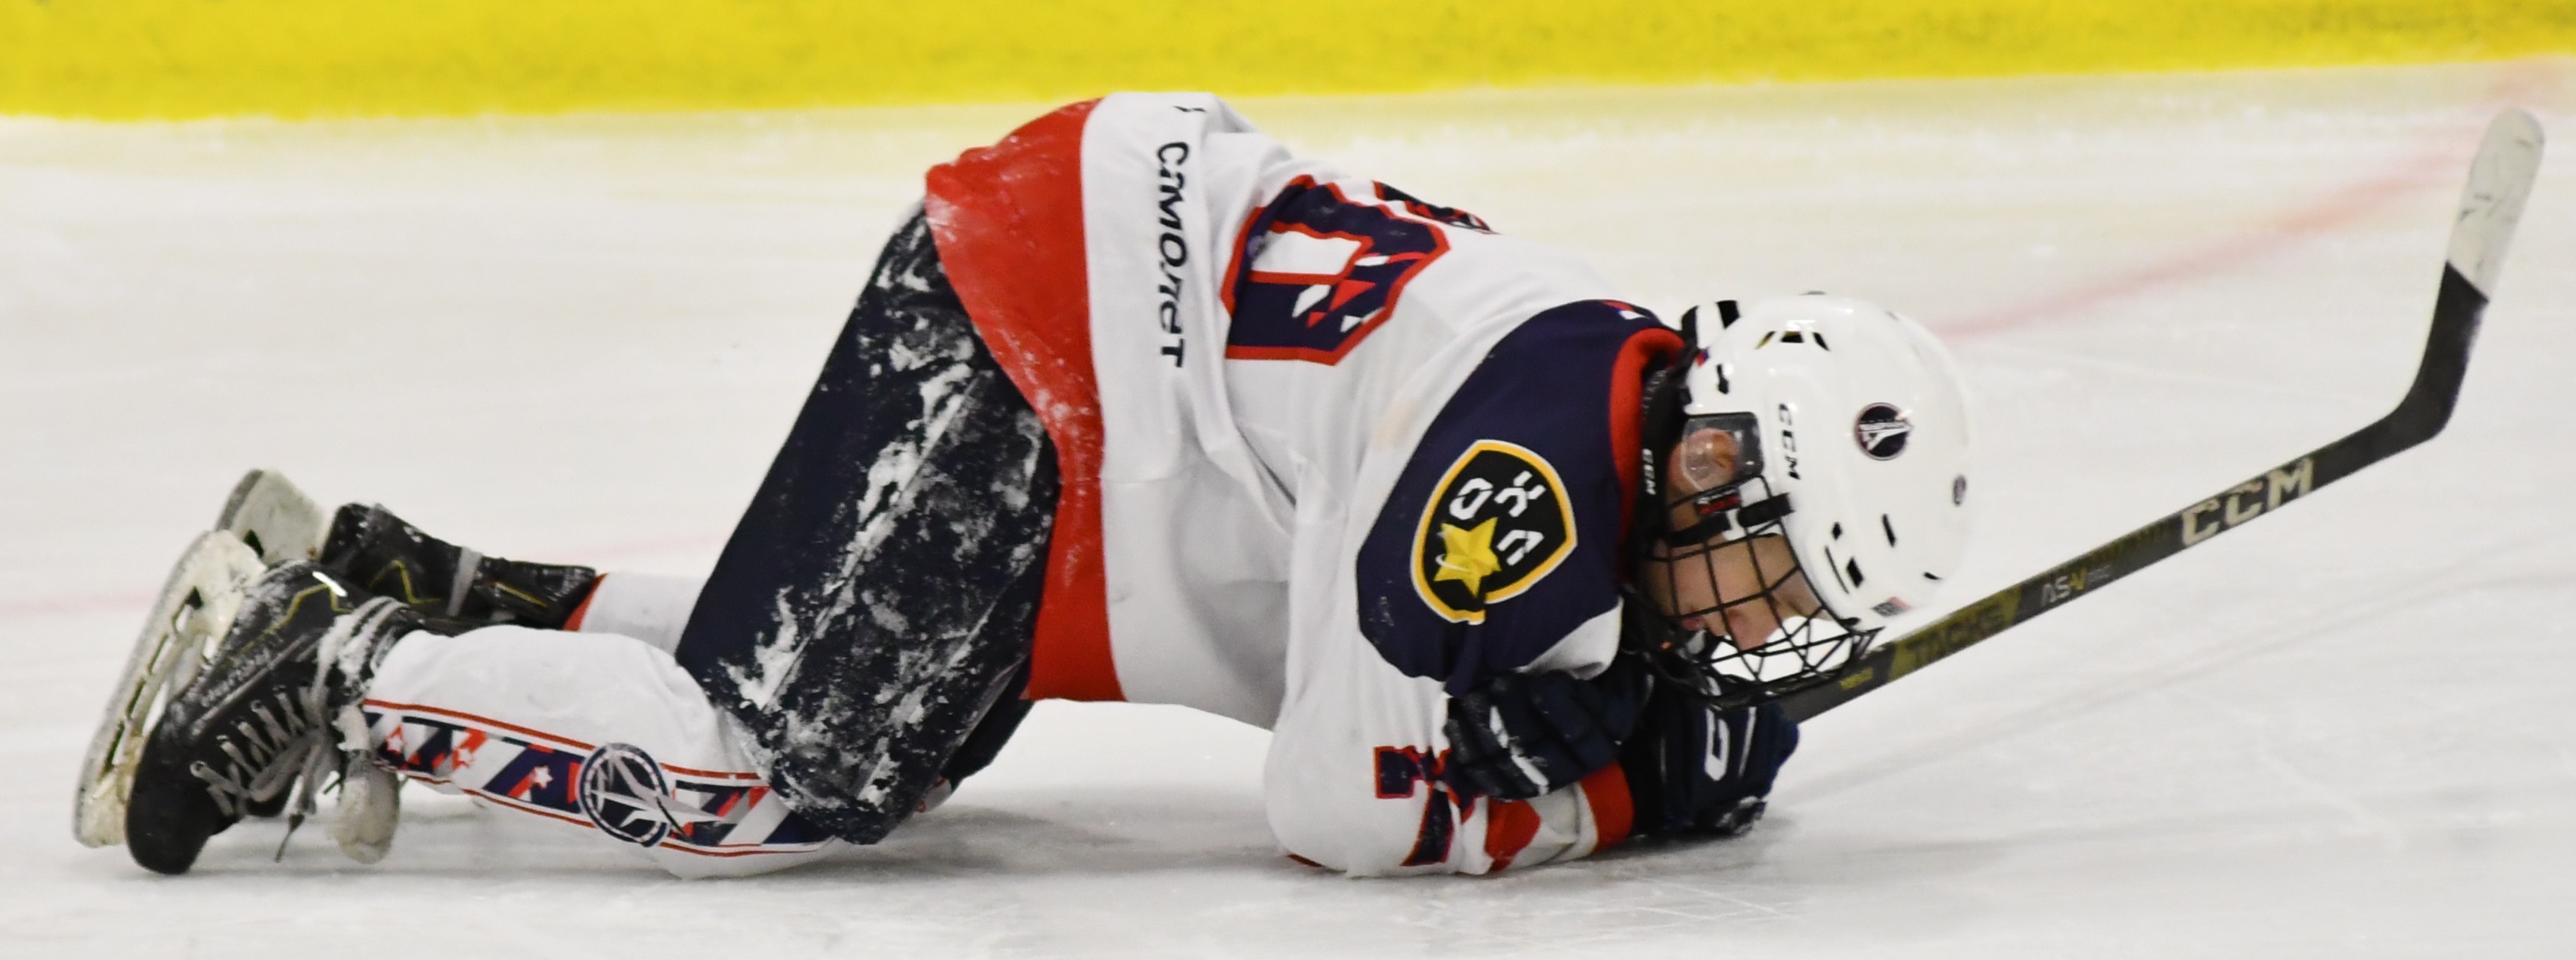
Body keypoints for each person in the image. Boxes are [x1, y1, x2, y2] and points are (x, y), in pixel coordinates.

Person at [75, 92, 1973, 878]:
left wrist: (1598, 715)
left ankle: (449, 584)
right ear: (1711, 456)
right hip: (1058, 322)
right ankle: (332, 659)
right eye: (1770, 557)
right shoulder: (1533, 480)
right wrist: (1619, 790)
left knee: (896, 689)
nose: (1765, 611)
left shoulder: (1601, 409)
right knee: (784, 769)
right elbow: (1332, 798)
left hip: (1094, 309)